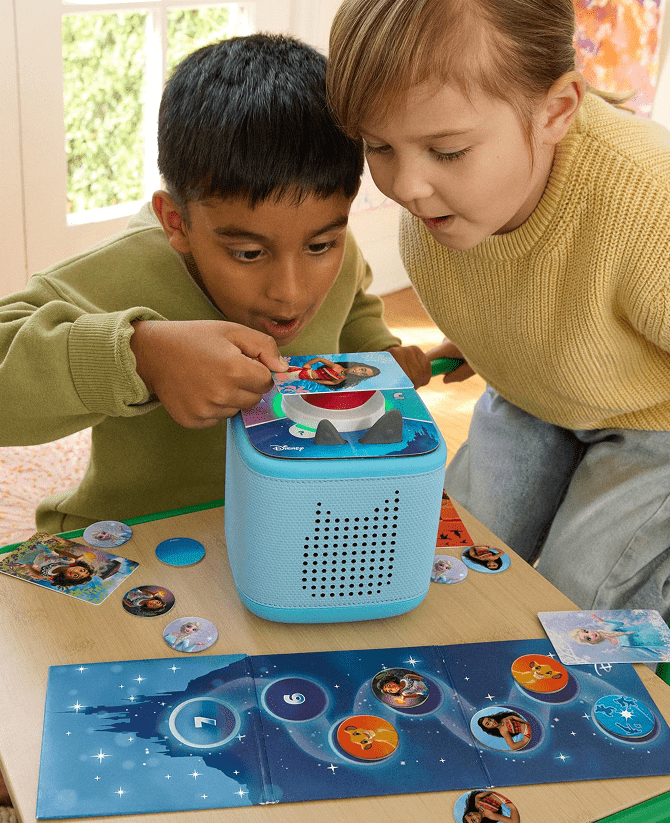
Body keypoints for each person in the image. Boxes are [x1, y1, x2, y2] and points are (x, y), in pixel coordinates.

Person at [326, 0, 670, 693]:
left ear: (557, 110)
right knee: (450, 564)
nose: (406, 187)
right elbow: (537, 284)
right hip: (545, 391)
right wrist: (491, 337)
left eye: (447, 150)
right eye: (378, 147)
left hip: (669, 419)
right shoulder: (436, 213)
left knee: (577, 618)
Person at [0, 34, 431, 534]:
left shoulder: (337, 248)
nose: (290, 293)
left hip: (295, 523)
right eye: (248, 253)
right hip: (132, 538)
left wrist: (379, 351)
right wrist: (141, 355)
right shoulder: (121, 272)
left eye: (319, 245)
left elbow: (352, 302)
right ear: (177, 222)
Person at [274, 356, 381, 388]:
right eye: (362, 369)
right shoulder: (336, 366)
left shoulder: (342, 378)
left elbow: (331, 383)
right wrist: (308, 364)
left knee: (277, 379)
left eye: (363, 374)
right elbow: (320, 359)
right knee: (278, 369)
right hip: (302, 371)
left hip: (302, 377)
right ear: (358, 365)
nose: (359, 372)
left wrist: (313, 380)